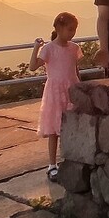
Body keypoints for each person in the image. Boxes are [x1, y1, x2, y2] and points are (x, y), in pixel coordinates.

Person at [30, 12, 82, 182]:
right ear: (59, 28)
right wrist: (36, 47)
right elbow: (32, 67)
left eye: (74, 30)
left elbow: (75, 69)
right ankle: (52, 165)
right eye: (70, 29)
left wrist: (80, 88)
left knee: (72, 126)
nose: (72, 33)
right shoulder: (49, 49)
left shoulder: (74, 48)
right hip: (55, 92)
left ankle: (72, 158)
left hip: (71, 90)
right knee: (54, 129)